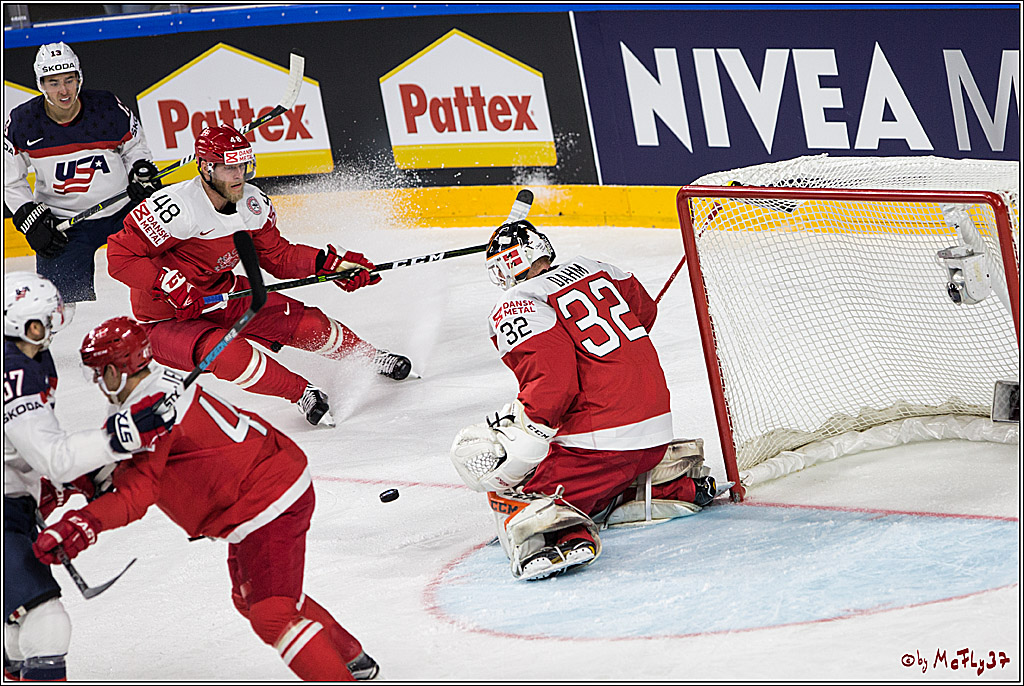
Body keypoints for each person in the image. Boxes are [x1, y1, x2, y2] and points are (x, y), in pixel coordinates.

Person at [32, 316, 380, 681]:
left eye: (101, 371)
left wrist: (81, 524)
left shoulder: (147, 409)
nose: (97, 381)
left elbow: (139, 491)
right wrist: (69, 484)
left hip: (266, 498)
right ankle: (352, 658)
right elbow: (133, 460)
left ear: (121, 368)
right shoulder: (150, 392)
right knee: (253, 600)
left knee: (271, 614)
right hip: (259, 487)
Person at [449, 220, 721, 581]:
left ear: (513, 263)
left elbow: (553, 388)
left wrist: (528, 432)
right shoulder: (596, 266)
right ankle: (675, 486)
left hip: (603, 441)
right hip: (655, 427)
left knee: (516, 494)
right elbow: (645, 315)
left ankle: (561, 535)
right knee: (611, 473)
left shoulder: (518, 302)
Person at [105, 124, 411, 427]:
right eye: (228, 167)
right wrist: (166, 283)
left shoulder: (253, 203)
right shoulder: (176, 207)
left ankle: (369, 357)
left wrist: (330, 264)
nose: (238, 175)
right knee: (229, 353)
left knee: (307, 323)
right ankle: (302, 393)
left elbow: (278, 256)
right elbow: (119, 256)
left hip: (223, 293)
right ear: (205, 167)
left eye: (242, 165)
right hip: (165, 317)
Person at [3, 273, 173, 681]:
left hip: (13, 503)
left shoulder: (28, 358)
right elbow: (53, 458)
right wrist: (118, 438)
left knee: (16, 623)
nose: (56, 322)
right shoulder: (16, 372)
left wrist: (70, 478)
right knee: (47, 625)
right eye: (47, 317)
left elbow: (23, 450)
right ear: (28, 325)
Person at [4, 42, 163, 310]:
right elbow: (9, 179)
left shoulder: (107, 107)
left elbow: (134, 148)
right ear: (41, 84)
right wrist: (26, 216)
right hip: (65, 223)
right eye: (53, 82)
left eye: (69, 80)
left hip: (122, 211)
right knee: (55, 306)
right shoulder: (22, 122)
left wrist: (140, 170)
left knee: (159, 279)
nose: (63, 90)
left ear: (79, 78)